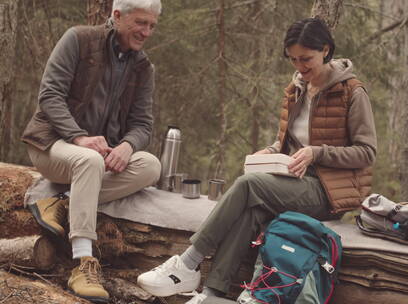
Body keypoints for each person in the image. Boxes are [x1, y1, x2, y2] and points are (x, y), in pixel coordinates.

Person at [137, 17, 377, 303]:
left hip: (329, 191)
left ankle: (188, 262)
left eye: (306, 59)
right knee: (250, 211)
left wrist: (318, 152)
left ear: (326, 49)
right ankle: (212, 293)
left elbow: (366, 151)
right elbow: (288, 141)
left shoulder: (351, 92)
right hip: (295, 180)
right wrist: (271, 150)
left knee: (249, 186)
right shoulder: (297, 89)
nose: (300, 67)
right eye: (293, 60)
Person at [21, 0, 162, 302]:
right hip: (52, 145)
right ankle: (82, 263)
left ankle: (60, 201)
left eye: (152, 25)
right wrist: (78, 137)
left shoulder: (143, 67)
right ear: (117, 16)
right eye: (140, 23)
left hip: (97, 157)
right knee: (88, 161)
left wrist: (127, 146)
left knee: (150, 165)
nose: (146, 32)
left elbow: (142, 124)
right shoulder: (79, 39)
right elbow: (50, 95)